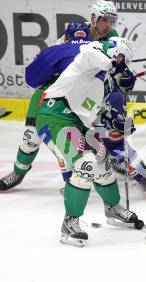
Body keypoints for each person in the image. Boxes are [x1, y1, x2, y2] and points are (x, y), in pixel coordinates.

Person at [30, 37, 143, 247]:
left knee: (102, 158)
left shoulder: (103, 81)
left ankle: (112, 207)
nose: (120, 63)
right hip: (53, 117)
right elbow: (91, 54)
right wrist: (114, 63)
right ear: (112, 51)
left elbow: (90, 109)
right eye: (120, 57)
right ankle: (69, 222)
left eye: (123, 60)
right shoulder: (92, 52)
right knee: (85, 163)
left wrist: (114, 120)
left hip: (75, 121)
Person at [0, 0, 119, 190]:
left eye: (111, 21)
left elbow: (116, 64)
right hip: (51, 96)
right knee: (32, 138)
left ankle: (87, 172)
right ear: (94, 18)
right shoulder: (69, 38)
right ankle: (19, 172)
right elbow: (37, 77)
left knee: (75, 138)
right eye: (104, 20)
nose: (107, 25)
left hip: (83, 97)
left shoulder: (111, 38)